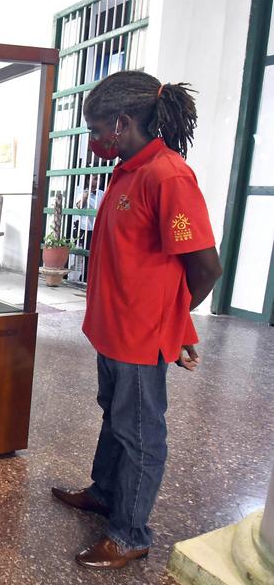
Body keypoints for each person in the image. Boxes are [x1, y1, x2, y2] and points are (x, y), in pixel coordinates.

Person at [51, 71, 223, 570]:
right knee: (115, 416)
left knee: (141, 433)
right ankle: (105, 493)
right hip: (113, 330)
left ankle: (130, 534)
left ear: (122, 123)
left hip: (140, 337)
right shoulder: (128, 171)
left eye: (97, 128)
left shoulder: (168, 176)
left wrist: (175, 326)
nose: (93, 138)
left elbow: (205, 267)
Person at [74, 174, 105, 279]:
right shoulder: (82, 193)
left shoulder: (102, 193)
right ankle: (85, 276)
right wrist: (86, 195)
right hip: (87, 229)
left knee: (100, 253)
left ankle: (96, 276)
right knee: (88, 253)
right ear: (88, 180)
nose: (98, 181)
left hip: (100, 228)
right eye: (95, 178)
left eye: (99, 179)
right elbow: (79, 206)